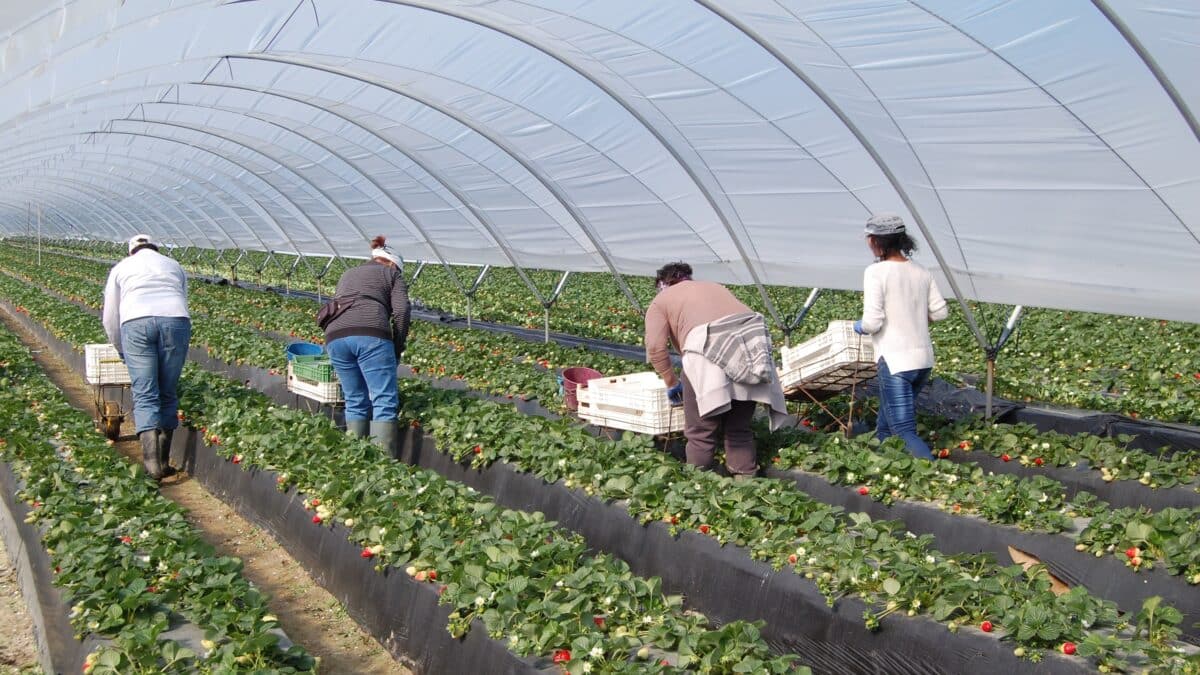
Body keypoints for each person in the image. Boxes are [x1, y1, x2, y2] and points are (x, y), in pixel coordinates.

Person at [644, 262, 788, 478]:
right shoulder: (714, 286)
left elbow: (655, 347)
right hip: (749, 351)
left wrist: (671, 382)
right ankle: (746, 485)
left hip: (707, 352)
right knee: (739, 427)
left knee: (701, 431)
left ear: (662, 284)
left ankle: (698, 487)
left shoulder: (661, 300)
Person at [853, 213, 949, 459]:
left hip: (896, 362)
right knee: (885, 426)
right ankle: (882, 463)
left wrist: (858, 326)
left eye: (868, 238)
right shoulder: (921, 271)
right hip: (923, 360)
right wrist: (913, 315)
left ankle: (934, 476)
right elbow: (940, 313)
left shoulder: (876, 272)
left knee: (904, 430)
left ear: (877, 241)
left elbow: (873, 322)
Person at [102, 234, 191, 480]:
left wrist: (120, 347)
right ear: (155, 249)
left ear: (132, 251)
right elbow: (182, 299)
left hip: (136, 323)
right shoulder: (173, 265)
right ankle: (163, 463)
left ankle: (151, 466)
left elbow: (110, 315)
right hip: (176, 321)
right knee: (167, 391)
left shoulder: (122, 268)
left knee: (145, 394)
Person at [323, 236, 411, 449]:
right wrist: (397, 345)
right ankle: (382, 464)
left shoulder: (348, 273)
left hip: (335, 336)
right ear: (392, 264)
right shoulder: (392, 274)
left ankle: (356, 459)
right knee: (384, 400)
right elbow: (402, 310)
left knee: (354, 399)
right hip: (371, 335)